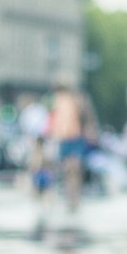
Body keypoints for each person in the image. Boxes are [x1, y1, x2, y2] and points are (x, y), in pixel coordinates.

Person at [47, 81, 97, 214]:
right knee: (68, 169)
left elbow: (86, 116)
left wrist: (90, 131)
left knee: (75, 168)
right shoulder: (57, 102)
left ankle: (75, 198)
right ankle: (70, 198)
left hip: (75, 137)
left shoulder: (76, 100)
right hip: (64, 138)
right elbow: (55, 120)